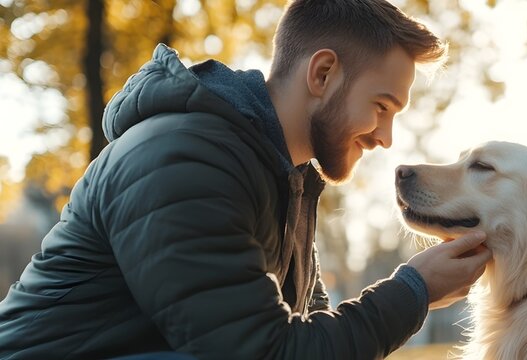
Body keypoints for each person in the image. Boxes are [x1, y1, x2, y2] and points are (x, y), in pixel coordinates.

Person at [0, 0, 492, 358]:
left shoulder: (283, 178)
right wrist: (413, 291)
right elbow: (266, 355)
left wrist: (416, 292)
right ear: (322, 75)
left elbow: (314, 333)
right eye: (381, 107)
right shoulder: (185, 160)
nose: (385, 136)